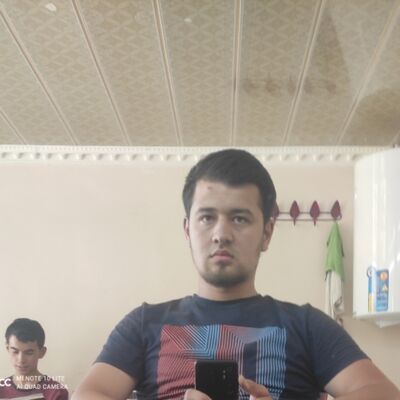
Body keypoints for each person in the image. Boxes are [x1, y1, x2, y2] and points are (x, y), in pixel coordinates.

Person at [73, 149, 400, 400]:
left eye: (240, 218)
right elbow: (88, 394)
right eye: (207, 217)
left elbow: (384, 394)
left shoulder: (307, 325)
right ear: (187, 230)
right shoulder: (143, 323)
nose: (221, 234)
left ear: (267, 233)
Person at [1, 318, 68, 400]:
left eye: (29, 353)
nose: (21, 360)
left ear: (42, 352)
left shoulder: (56, 392)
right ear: (8, 349)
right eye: (15, 352)